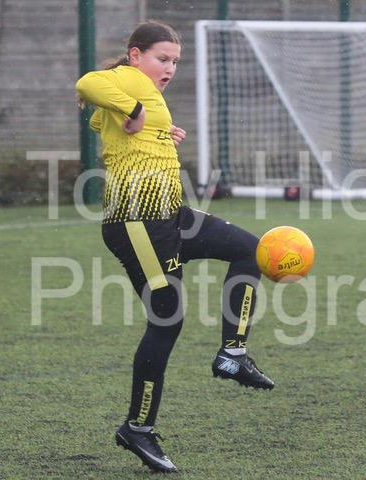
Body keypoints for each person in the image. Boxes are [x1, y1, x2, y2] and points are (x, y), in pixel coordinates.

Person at [76, 21, 274, 473]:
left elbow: (109, 125)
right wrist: (134, 110)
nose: (170, 68)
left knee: (251, 250)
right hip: (137, 221)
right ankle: (138, 427)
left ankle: (233, 353)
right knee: (167, 320)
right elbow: (87, 84)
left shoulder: (142, 90)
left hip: (171, 214)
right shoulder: (127, 80)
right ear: (135, 55)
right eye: (162, 58)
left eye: (175, 62)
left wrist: (160, 132)